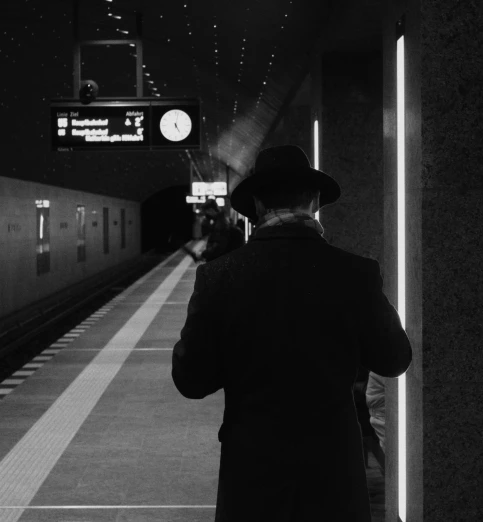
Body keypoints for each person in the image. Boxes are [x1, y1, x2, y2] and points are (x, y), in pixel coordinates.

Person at [171, 145, 412, 522]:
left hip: (251, 472)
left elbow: (191, 380)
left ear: (258, 206)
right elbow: (395, 359)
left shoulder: (219, 277)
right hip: (334, 472)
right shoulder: (355, 273)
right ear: (315, 201)